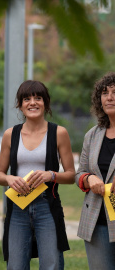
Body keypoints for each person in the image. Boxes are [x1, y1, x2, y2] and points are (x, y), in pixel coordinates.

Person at [0, 80, 75, 270]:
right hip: (17, 209)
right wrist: (9, 178)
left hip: (47, 206)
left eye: (38, 98)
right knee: (15, 266)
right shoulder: (10, 134)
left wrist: (51, 175)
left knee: (51, 265)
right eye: (27, 99)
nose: (33, 102)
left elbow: (72, 175)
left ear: (46, 103)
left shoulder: (59, 133)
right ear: (20, 105)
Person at [76, 72, 115, 270]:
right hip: (96, 223)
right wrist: (88, 178)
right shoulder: (92, 135)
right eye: (105, 93)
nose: (110, 97)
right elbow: (79, 172)